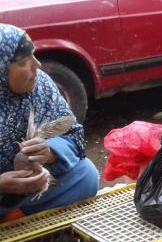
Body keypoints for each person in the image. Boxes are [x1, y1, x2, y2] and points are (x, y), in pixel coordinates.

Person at [0, 24, 98, 221]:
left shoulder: (40, 84)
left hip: (26, 189)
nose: (37, 65)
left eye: (34, 55)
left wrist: (50, 152)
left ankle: (14, 218)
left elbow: (71, 134)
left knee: (85, 176)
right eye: (23, 62)